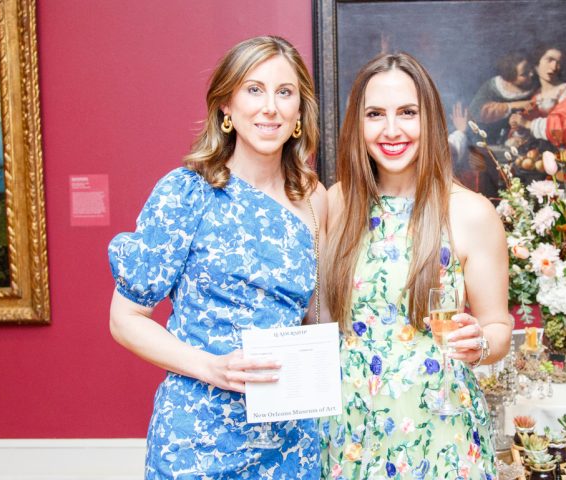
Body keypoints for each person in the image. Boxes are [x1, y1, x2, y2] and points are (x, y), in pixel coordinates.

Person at [107, 36, 327, 479]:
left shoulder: (312, 197)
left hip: (290, 439)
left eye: (284, 92)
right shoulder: (187, 192)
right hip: (198, 436)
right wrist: (212, 367)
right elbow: (124, 319)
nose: (270, 107)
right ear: (227, 105)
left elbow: (314, 317)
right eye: (254, 89)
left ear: (300, 111)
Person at [321, 52, 513, 480]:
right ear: (357, 124)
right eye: (375, 114)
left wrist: (480, 343)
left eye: (407, 113)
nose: (392, 130)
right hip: (349, 430)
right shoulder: (334, 204)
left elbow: (498, 327)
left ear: (430, 120)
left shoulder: (471, 212)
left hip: (441, 433)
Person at [450, 51, 535, 197]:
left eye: (530, 70)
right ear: (510, 77)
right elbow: (478, 111)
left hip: (518, 147)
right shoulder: (494, 87)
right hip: (485, 147)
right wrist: (513, 105)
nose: (531, 75)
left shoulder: (534, 88)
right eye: (524, 74)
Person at [509, 45, 566, 147]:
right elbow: (526, 120)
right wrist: (519, 127)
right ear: (536, 63)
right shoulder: (536, 97)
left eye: (559, 63)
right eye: (550, 60)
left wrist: (528, 124)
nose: (554, 67)